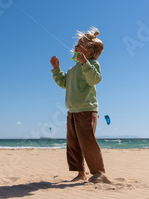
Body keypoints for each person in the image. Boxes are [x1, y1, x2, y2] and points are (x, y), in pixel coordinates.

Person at [50, 27, 110, 183]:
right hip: (72, 111)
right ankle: (80, 173)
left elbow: (95, 79)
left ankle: (98, 173)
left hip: (87, 110)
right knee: (73, 144)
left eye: (79, 45)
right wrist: (57, 69)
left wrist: (85, 64)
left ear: (89, 52)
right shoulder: (72, 69)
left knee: (87, 142)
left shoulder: (93, 65)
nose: (75, 47)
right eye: (76, 44)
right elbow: (64, 83)